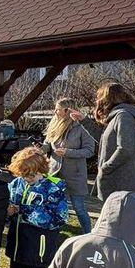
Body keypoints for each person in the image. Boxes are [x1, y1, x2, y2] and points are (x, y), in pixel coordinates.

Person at [2, 147, 68, 268]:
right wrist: (8, 212)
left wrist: (24, 210)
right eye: (23, 175)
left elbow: (59, 218)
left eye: (30, 175)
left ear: (41, 170)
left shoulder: (53, 188)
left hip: (40, 248)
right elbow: (7, 206)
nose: (26, 179)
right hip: (18, 245)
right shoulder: (17, 184)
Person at [42, 98, 96, 233]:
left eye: (58, 109)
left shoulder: (81, 127)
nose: (55, 111)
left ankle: (88, 233)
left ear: (67, 111)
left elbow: (89, 151)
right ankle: (52, 231)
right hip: (55, 173)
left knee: (79, 207)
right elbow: (48, 145)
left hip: (75, 175)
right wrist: (39, 148)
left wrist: (68, 152)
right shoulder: (55, 124)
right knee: (54, 204)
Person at [90, 83, 135, 200]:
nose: (97, 101)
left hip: (122, 182)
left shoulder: (124, 117)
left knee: (120, 217)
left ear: (107, 99)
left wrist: (105, 168)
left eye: (99, 97)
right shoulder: (116, 117)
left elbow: (125, 149)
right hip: (115, 180)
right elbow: (103, 142)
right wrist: (83, 121)